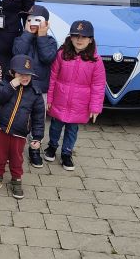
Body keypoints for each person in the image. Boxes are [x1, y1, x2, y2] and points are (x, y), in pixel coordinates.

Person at [45, 20, 106, 171]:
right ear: (70, 38)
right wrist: (49, 98)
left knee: (72, 130)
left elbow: (98, 85)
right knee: (55, 127)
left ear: (91, 40)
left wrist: (95, 108)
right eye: (76, 36)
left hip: (79, 104)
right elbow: (52, 77)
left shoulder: (96, 61)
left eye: (84, 37)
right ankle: (52, 146)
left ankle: (66, 153)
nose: (79, 40)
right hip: (60, 100)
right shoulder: (62, 54)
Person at [0, 55, 45, 199]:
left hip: (19, 133)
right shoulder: (3, 85)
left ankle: (16, 180)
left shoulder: (35, 94)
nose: (24, 77)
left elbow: (38, 117)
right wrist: (12, 85)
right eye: (20, 74)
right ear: (12, 73)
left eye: (28, 75)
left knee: (16, 158)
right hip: (1, 128)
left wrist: (37, 137)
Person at [12, 5, 58, 168]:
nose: (32, 23)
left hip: (40, 89)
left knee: (38, 120)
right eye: (29, 19)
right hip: (22, 88)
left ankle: (34, 148)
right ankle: (16, 147)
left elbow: (47, 58)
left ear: (46, 23)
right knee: (21, 118)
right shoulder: (21, 38)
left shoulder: (50, 41)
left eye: (37, 20)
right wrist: (26, 34)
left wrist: (42, 36)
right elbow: (18, 52)